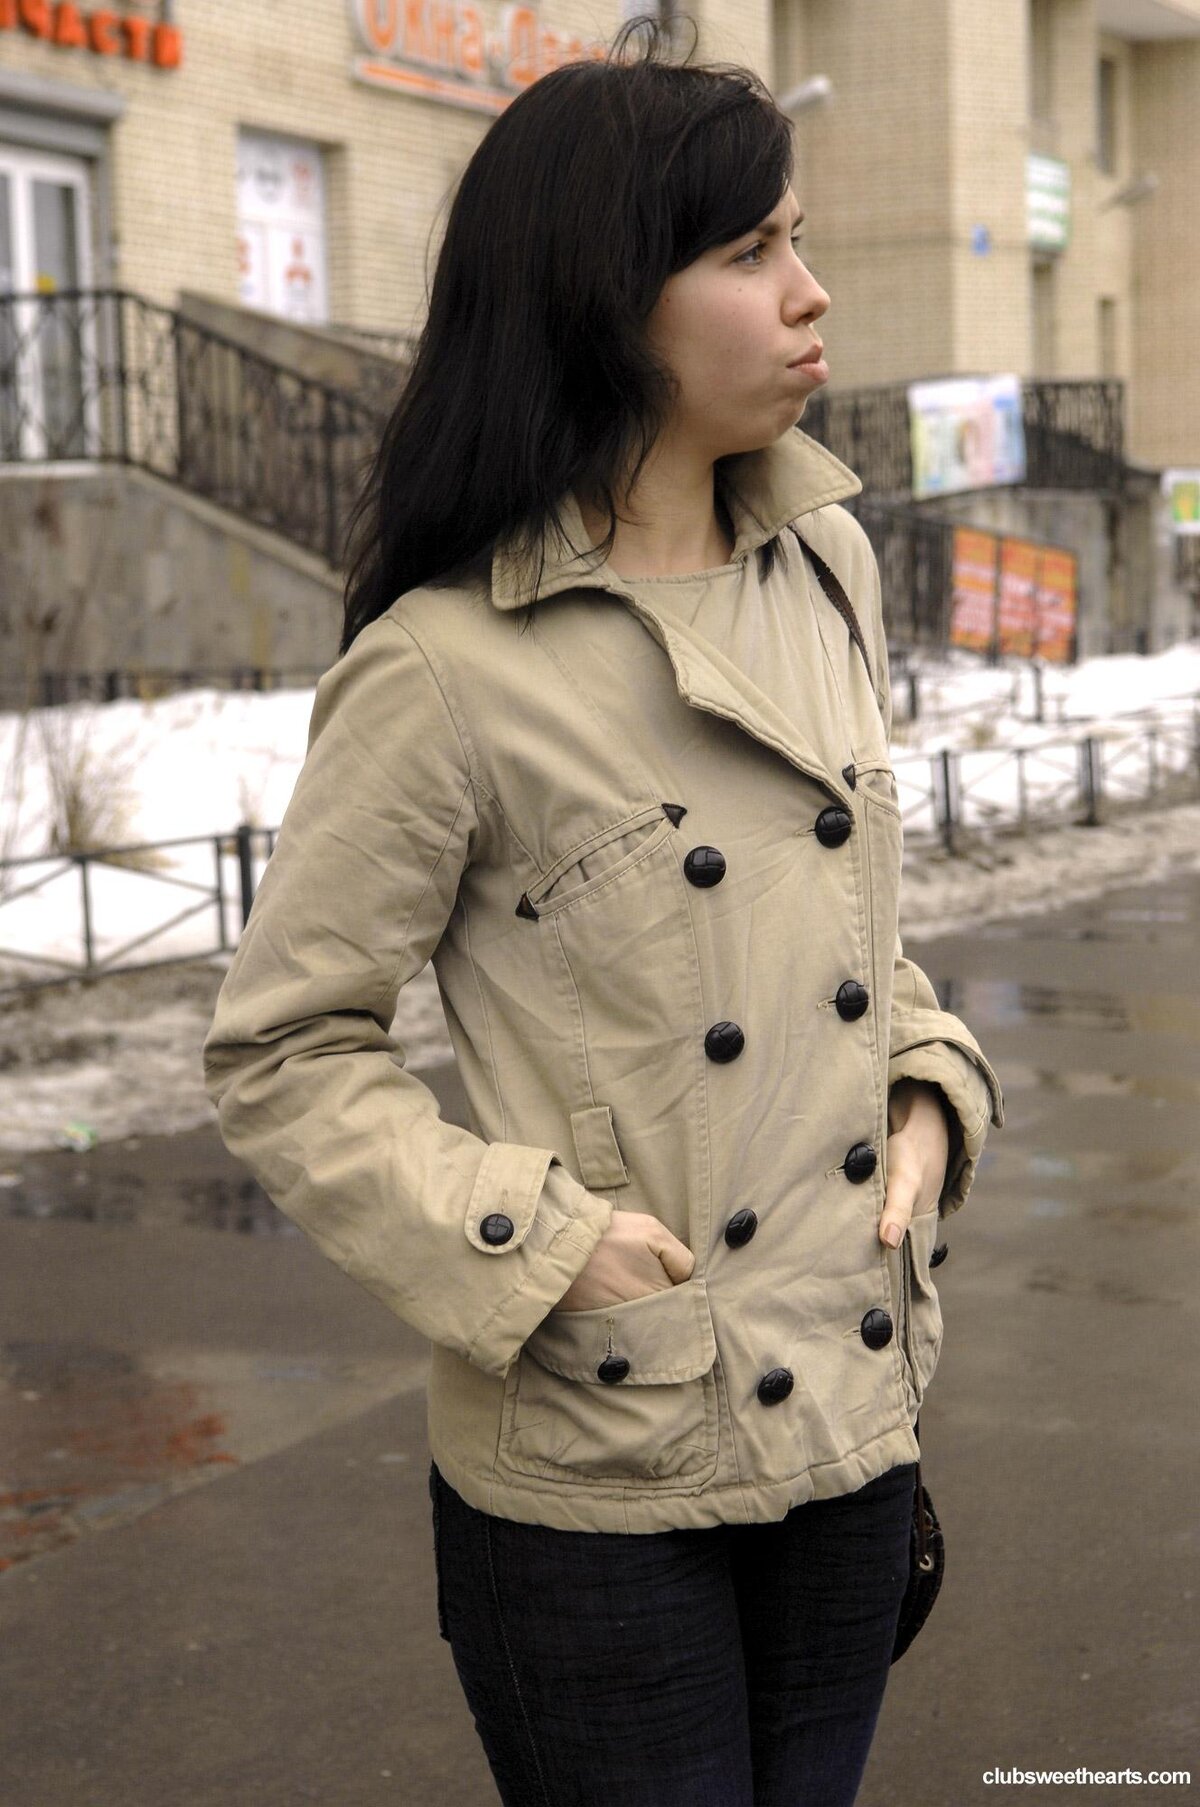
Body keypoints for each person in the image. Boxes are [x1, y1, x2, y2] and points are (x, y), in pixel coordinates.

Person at [201, 15, 1004, 1805]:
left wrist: (930, 1086)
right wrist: (537, 1241)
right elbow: (283, 1052)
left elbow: (848, 932)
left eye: (798, 240)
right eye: (748, 252)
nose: (808, 292)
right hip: (604, 1458)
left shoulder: (826, 563)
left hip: (853, 1408)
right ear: (601, 303)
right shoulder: (445, 665)